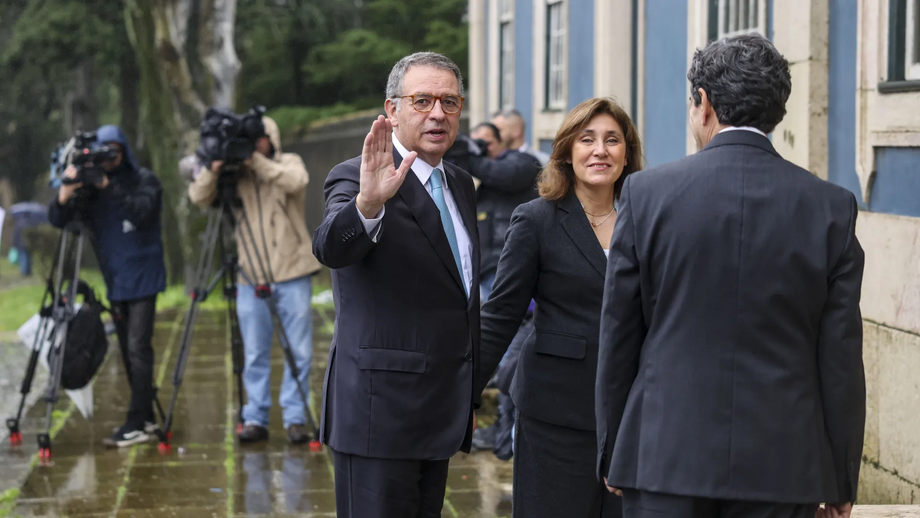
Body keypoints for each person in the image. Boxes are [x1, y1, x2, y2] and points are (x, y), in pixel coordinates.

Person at [595, 34, 866, 518]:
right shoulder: (831, 207)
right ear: (777, 111)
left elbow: (619, 334)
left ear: (703, 103)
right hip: (786, 464)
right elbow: (841, 358)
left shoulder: (646, 194)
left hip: (663, 453)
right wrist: (843, 476)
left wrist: (615, 447)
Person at [313, 51, 480, 518]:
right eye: (422, 100)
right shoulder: (356, 176)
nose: (437, 114)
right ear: (392, 110)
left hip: (441, 410)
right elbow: (330, 246)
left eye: (450, 102)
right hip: (378, 415)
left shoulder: (460, 183)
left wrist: (468, 391)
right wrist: (367, 205)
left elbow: (461, 297)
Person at [478, 97, 643, 517]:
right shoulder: (536, 219)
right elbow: (500, 315)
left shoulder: (647, 221)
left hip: (633, 418)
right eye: (587, 139)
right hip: (556, 414)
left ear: (627, 154)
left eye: (612, 140)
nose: (600, 150)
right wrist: (459, 394)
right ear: (568, 151)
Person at [188, 115, 322, 444]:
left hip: (292, 271)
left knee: (300, 351)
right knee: (254, 353)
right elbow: (199, 196)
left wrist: (257, 161)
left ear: (270, 139)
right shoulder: (235, 175)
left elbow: (297, 181)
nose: (253, 144)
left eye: (259, 138)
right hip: (250, 275)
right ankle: (255, 417)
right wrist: (216, 166)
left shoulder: (286, 162)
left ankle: (294, 418)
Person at [48, 124, 166, 447]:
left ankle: (138, 420)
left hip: (144, 276)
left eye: (114, 149)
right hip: (116, 281)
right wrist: (66, 190)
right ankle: (144, 416)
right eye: (104, 150)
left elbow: (142, 212)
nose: (109, 157)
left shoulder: (144, 180)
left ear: (124, 149)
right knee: (129, 352)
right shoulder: (91, 192)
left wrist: (106, 185)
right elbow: (60, 220)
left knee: (138, 350)